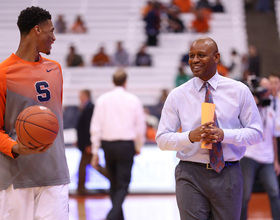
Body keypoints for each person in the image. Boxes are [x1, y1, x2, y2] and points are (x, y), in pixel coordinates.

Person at [156, 37, 263, 220]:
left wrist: (224, 135)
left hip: (228, 172)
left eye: (201, 55)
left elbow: (256, 133)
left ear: (216, 57)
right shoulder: (177, 95)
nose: (195, 60)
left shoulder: (238, 90)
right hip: (190, 174)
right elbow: (162, 140)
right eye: (191, 56)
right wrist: (190, 136)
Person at [0, 6, 70, 220]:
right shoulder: (4, 74)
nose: (54, 38)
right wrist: (15, 147)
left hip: (54, 174)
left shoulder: (56, 69)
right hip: (16, 178)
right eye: (51, 31)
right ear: (37, 30)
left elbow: (52, 122)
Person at [90, 69, 146, 220]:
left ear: (112, 81)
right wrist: (139, 146)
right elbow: (140, 126)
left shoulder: (102, 100)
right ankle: (112, 216)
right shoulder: (133, 100)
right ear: (126, 82)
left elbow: (95, 127)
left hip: (108, 145)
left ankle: (117, 217)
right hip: (126, 145)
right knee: (122, 184)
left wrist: (95, 151)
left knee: (114, 182)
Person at [240, 78, 280, 220]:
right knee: (244, 196)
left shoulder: (271, 111)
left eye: (268, 89)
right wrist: (253, 105)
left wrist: (276, 161)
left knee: (275, 192)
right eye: (263, 89)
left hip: (268, 159)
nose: (266, 92)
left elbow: (274, 137)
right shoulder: (249, 109)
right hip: (249, 157)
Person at [76, 89, 94, 195]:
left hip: (87, 144)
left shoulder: (89, 108)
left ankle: (81, 189)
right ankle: (113, 181)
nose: (79, 97)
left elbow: (88, 127)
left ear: (86, 95)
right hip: (85, 143)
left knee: (84, 166)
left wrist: (88, 143)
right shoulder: (85, 107)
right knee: (94, 165)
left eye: (81, 95)